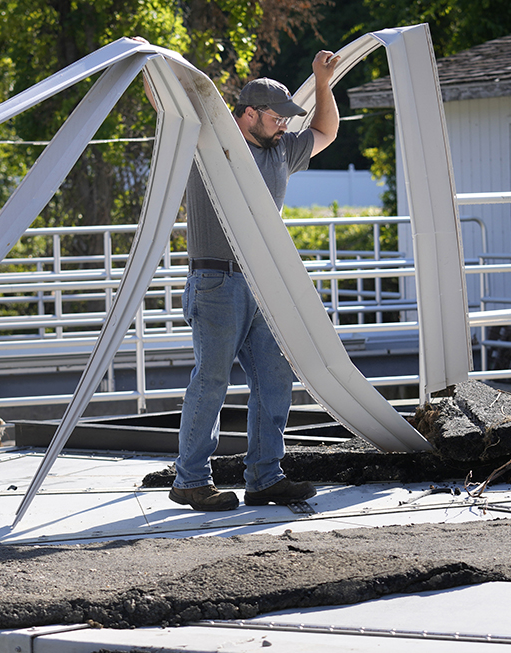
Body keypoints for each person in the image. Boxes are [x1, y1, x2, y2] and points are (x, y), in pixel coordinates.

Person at [168, 51, 341, 511]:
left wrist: (322, 81)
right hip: (216, 281)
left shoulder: (282, 150)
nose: (284, 124)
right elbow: (168, 104)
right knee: (212, 379)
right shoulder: (211, 145)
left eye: (287, 117)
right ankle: (190, 479)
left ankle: (265, 477)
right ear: (248, 114)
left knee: (274, 375)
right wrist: (155, 66)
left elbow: (326, 131)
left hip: (263, 281)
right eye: (276, 116)